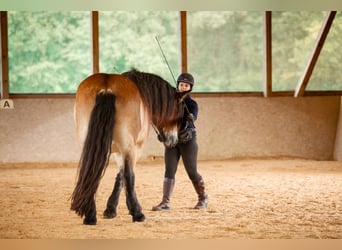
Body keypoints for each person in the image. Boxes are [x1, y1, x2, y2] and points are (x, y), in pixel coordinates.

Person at [152, 73, 208, 211]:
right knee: (169, 170)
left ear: (190, 88)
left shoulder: (191, 103)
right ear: (178, 85)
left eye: (186, 85)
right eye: (181, 85)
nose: (183, 87)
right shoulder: (169, 103)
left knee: (192, 171)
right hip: (172, 141)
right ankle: (165, 202)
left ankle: (203, 198)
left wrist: (191, 117)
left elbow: (194, 115)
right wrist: (162, 134)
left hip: (187, 140)